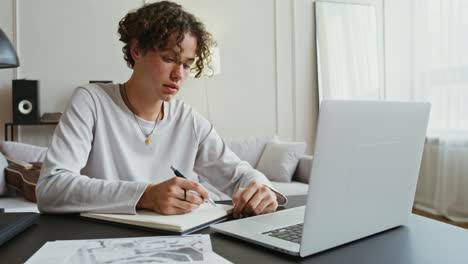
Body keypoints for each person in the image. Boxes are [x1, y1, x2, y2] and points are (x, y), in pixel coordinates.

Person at [36, 1, 286, 218]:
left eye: (187, 65)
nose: (179, 75)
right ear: (137, 50)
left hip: (178, 243)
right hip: (104, 240)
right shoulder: (91, 101)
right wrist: (147, 195)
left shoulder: (188, 121)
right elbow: (50, 188)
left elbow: (238, 174)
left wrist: (260, 188)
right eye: (168, 58)